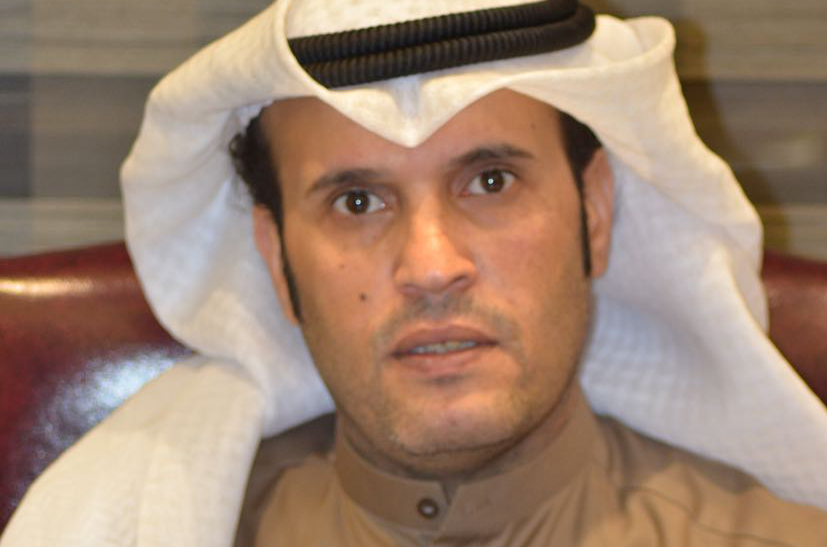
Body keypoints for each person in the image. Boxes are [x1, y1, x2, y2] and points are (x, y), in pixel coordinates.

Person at [3, 1, 827, 546]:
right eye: (357, 201)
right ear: (278, 260)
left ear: (594, 213)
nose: (432, 267)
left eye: (490, 182)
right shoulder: (166, 524)